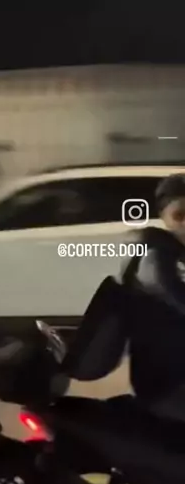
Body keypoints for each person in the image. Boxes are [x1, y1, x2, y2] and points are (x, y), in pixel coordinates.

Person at [64, 173, 185, 422]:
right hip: (169, 385)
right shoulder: (156, 260)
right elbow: (175, 295)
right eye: (180, 215)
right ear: (165, 218)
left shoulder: (175, 253)